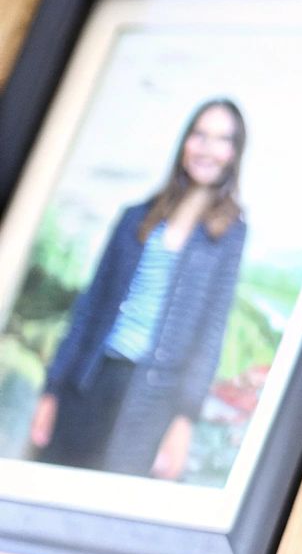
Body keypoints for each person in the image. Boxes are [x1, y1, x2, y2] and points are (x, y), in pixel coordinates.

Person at [29, 99, 248, 480]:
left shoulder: (229, 235)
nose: (207, 149)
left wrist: (182, 422)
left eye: (221, 139)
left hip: (149, 403)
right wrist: (52, 392)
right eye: (199, 135)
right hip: (89, 384)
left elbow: (209, 335)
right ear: (185, 142)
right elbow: (89, 308)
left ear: (233, 153)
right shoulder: (136, 217)